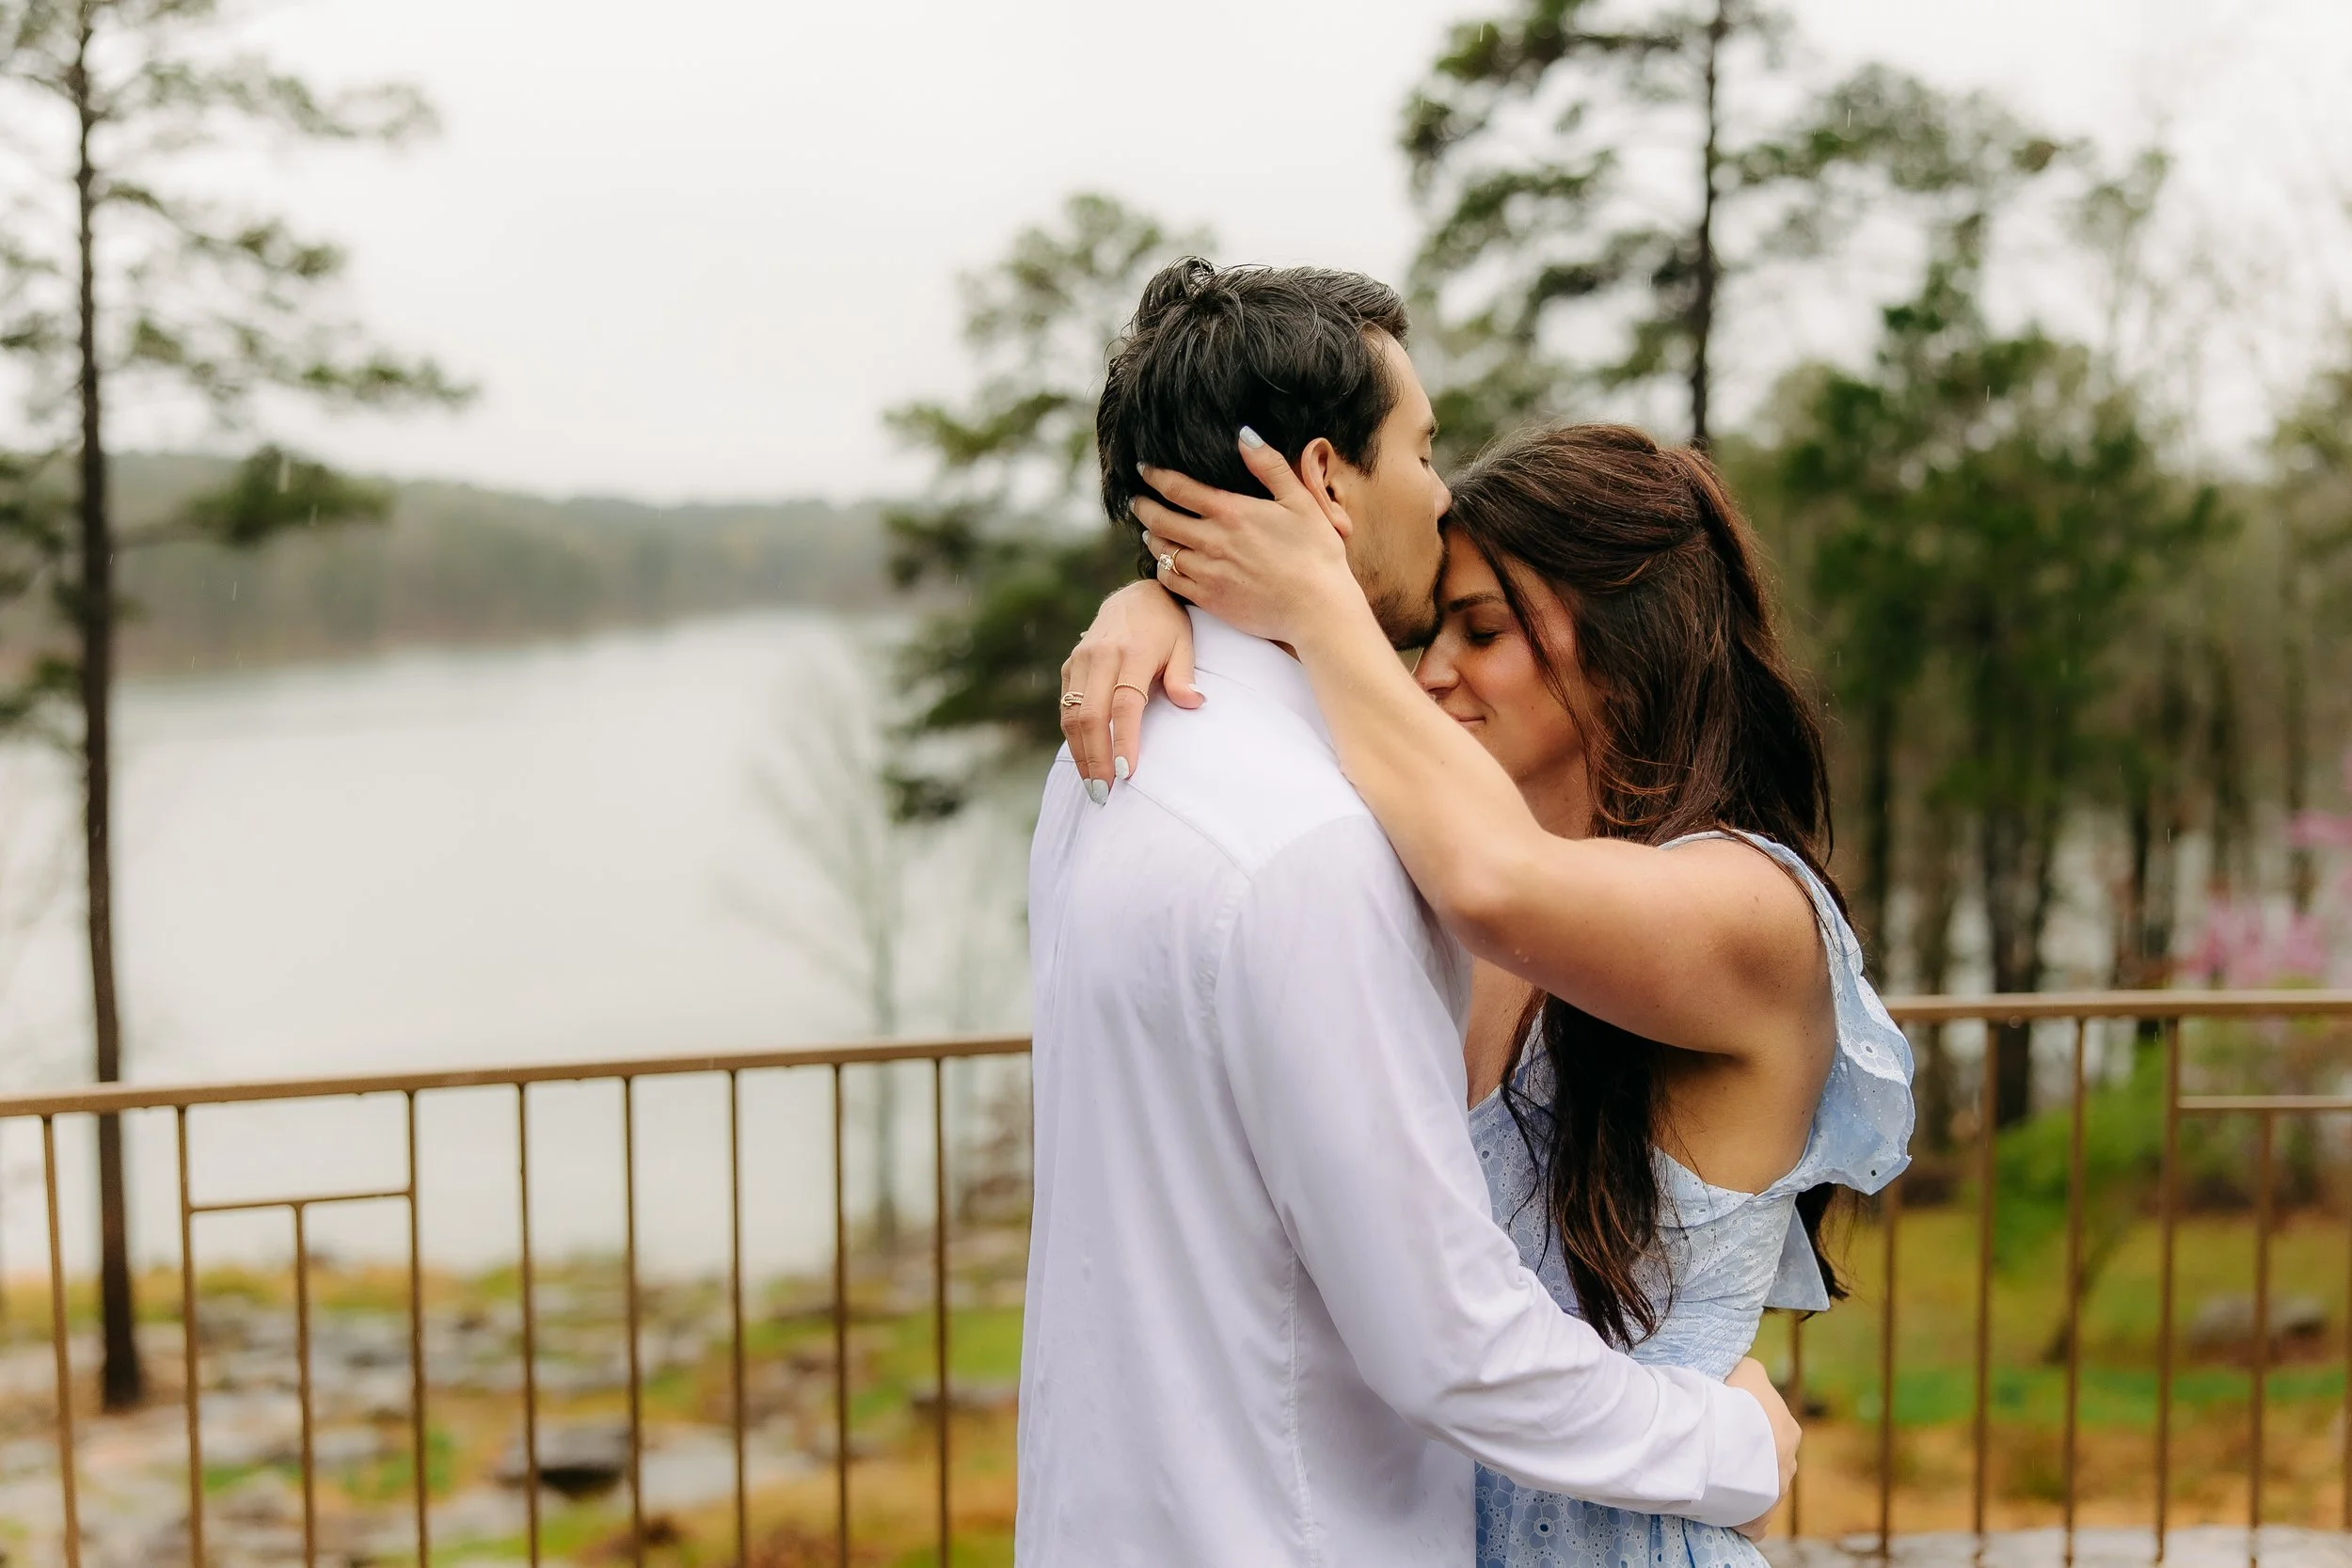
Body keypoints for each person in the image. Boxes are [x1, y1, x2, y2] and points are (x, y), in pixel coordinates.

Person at [1019, 257, 1799, 1568]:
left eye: (1487, 630)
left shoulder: (1105, 765)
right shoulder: (1319, 847)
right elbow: (1444, 1333)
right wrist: (1730, 1449)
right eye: (1422, 447)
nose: (1437, 496)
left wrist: (1171, 601)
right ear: (1325, 479)